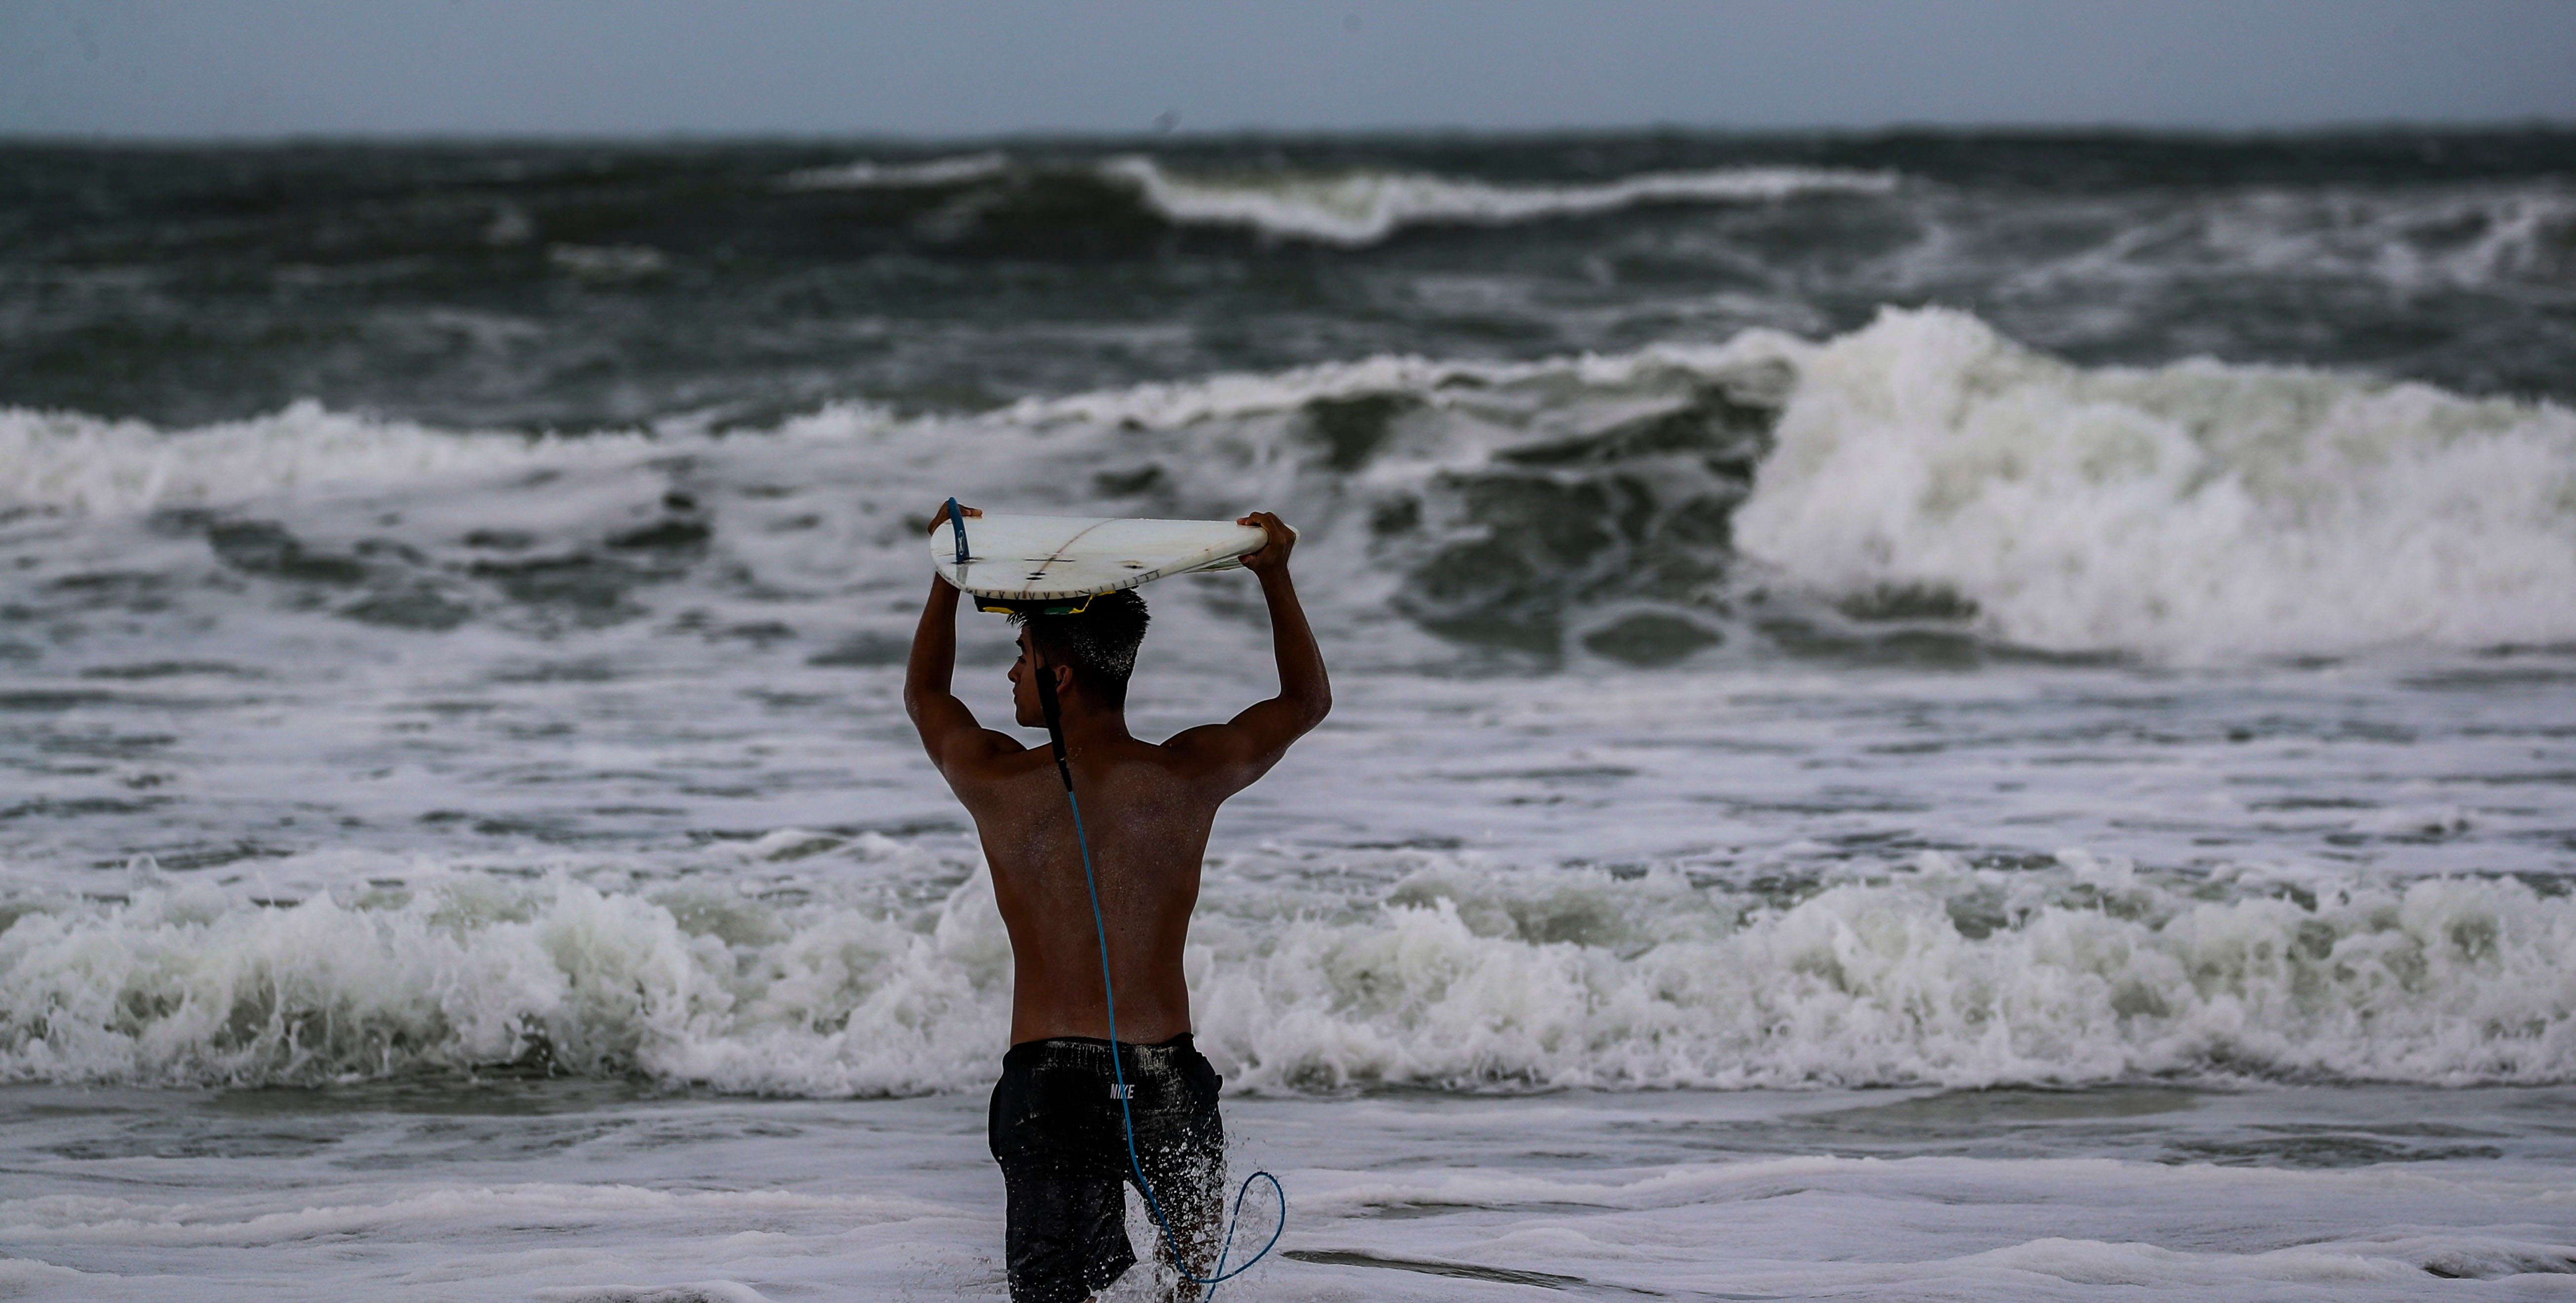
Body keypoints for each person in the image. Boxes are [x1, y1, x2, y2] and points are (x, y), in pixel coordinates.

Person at [904, 504, 1329, 1303]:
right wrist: (1274, 575)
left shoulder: (997, 779)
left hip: (1047, 1089)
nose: (1011, 674)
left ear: (1059, 677)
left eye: (1022, 656)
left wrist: (946, 572)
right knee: (1188, 1290)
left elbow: (926, 695)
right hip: (1164, 1077)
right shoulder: (1187, 774)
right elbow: (1306, 701)